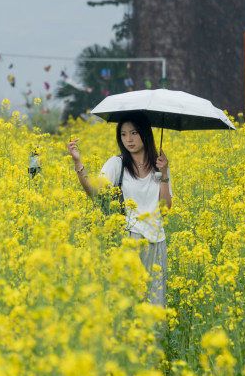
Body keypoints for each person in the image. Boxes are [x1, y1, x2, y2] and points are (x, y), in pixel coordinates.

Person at [67, 112, 172, 306]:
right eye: (123, 134)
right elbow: (93, 191)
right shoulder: (117, 164)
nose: (128, 139)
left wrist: (164, 173)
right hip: (129, 239)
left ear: (145, 134)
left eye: (134, 133)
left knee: (155, 303)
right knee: (129, 302)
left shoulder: (160, 166)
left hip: (157, 241)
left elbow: (164, 209)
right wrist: (78, 163)